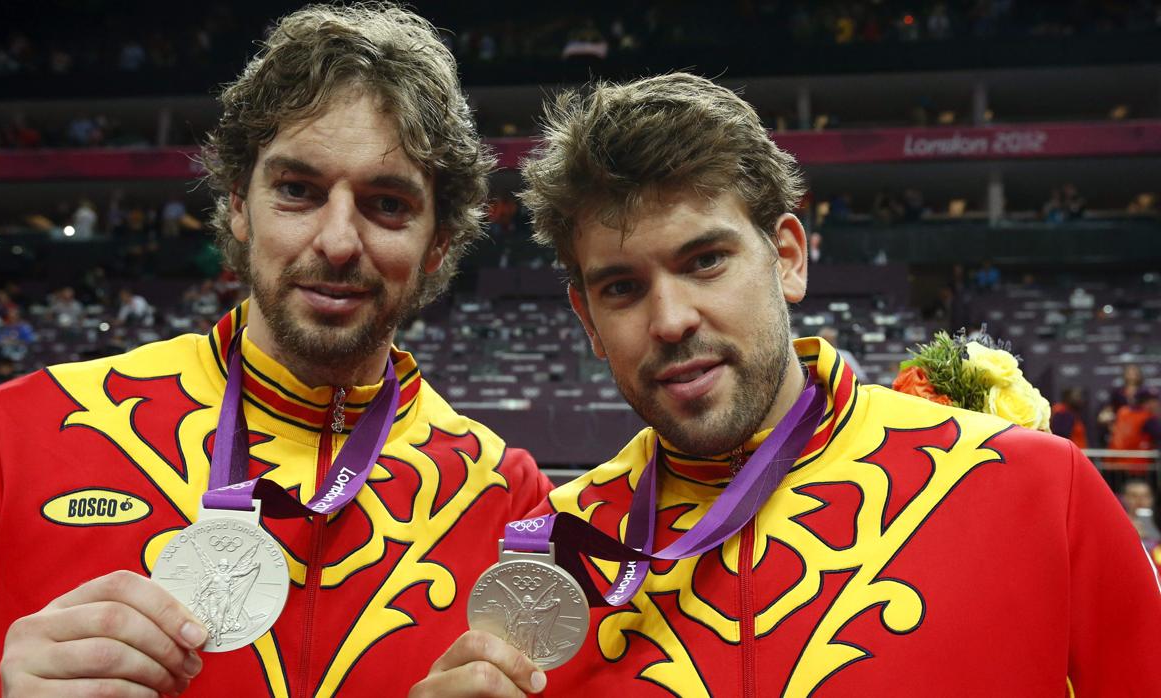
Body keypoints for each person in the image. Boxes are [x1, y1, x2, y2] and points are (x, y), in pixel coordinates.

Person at [416, 73, 1161, 696]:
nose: (671, 320)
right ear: (586, 317)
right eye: (621, 288)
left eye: (705, 260)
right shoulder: (550, 561)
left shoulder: (1033, 488)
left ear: (789, 258)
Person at [0, 5, 552, 696]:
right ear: (239, 205)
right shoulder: (18, 436)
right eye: (298, 191)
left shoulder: (510, 504)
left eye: (388, 203)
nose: (337, 241)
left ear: (438, 244)